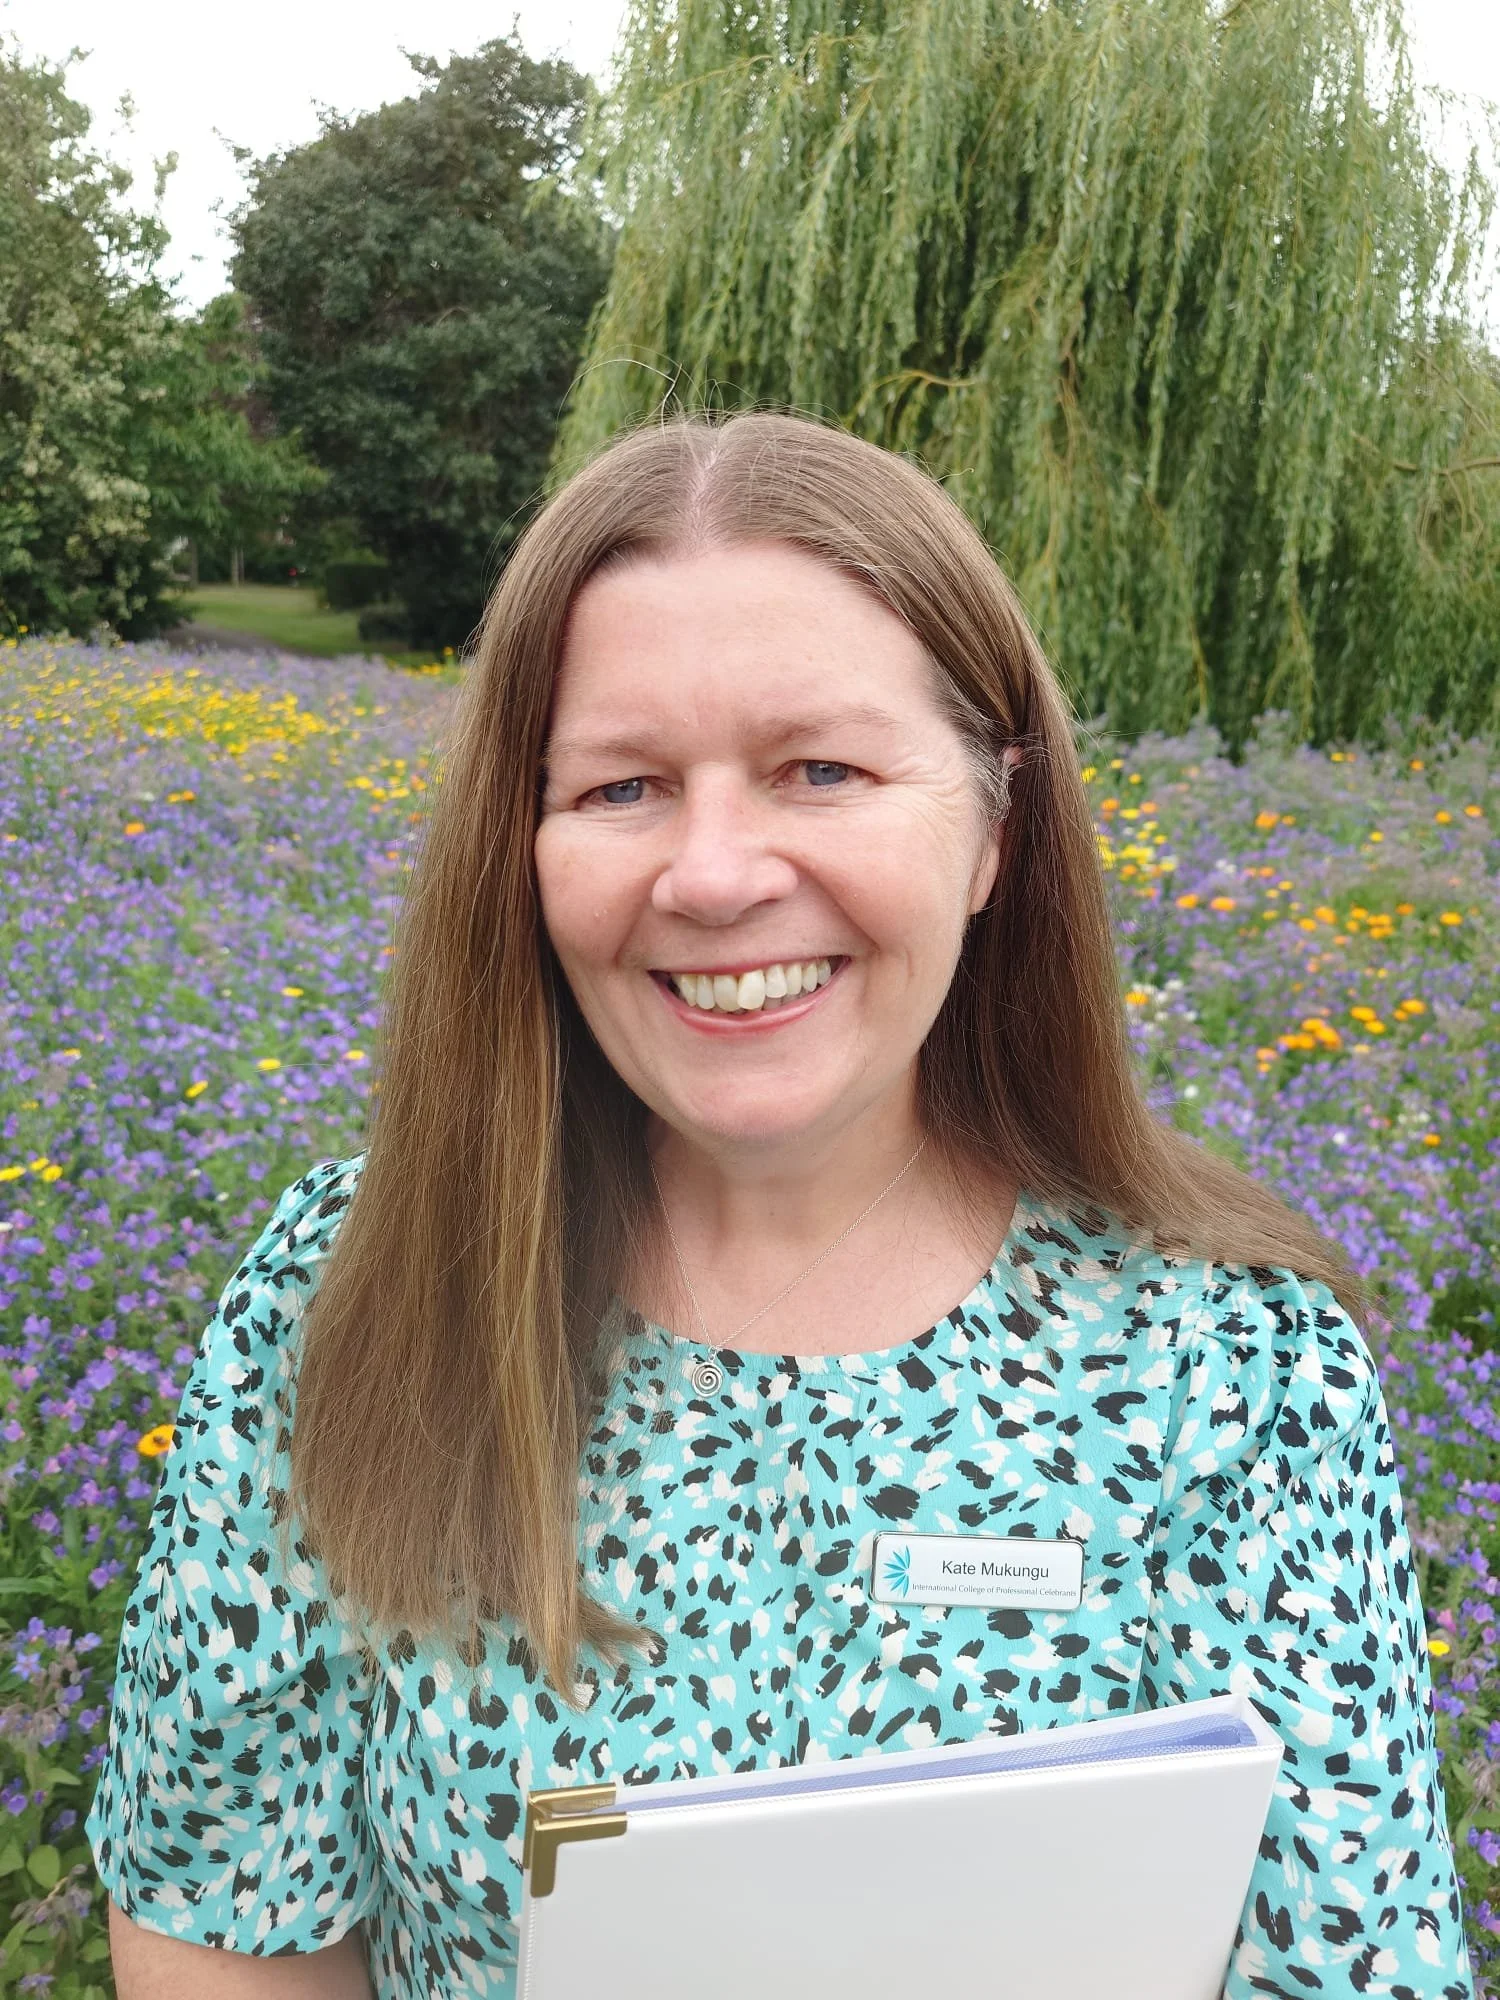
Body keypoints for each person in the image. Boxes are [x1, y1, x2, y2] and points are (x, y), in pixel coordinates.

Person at [88, 412, 1473, 1999]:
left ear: (992, 829)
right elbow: (227, 1927)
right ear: (523, 846)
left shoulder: (1236, 1371)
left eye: (822, 768)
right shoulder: (347, 1293)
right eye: (622, 788)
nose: (715, 874)